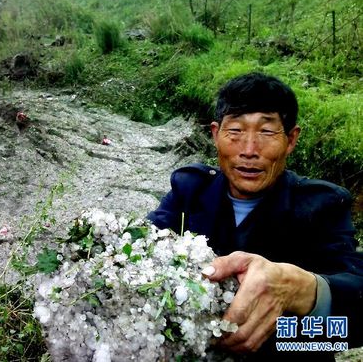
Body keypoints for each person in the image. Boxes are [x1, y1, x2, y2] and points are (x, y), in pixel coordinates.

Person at [147, 72, 363, 361]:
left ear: (291, 140)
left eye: (266, 132)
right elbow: (144, 252)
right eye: (235, 131)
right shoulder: (189, 190)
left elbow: (354, 320)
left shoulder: (322, 206)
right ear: (215, 134)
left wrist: (302, 291)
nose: (249, 151)